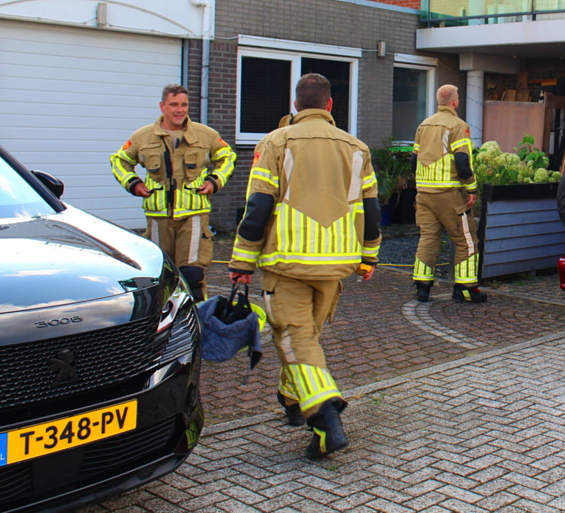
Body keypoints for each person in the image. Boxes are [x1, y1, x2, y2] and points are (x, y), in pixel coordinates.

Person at [228, 73, 381, 459]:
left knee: (294, 338)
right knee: (305, 337)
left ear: (296, 105)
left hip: (288, 264)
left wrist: (242, 259)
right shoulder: (356, 147)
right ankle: (291, 400)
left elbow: (258, 207)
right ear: (330, 106)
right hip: (335, 267)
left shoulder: (276, 142)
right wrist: (369, 256)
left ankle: (326, 413)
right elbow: (373, 211)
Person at [111, 84, 236, 301]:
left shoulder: (205, 135)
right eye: (174, 105)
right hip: (159, 219)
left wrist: (214, 181)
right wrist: (133, 184)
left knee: (192, 276)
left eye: (184, 105)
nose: (180, 110)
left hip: (194, 216)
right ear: (162, 106)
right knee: (161, 274)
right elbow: (119, 161)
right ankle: (163, 322)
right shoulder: (143, 136)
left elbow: (227, 157)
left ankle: (197, 323)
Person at [411, 84, 486, 304]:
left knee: (428, 238)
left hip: (423, 194)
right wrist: (471, 188)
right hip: (450, 194)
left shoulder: (423, 125)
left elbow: (413, 160)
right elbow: (462, 162)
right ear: (455, 101)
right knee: (466, 241)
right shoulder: (458, 126)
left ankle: (422, 288)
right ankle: (465, 289)